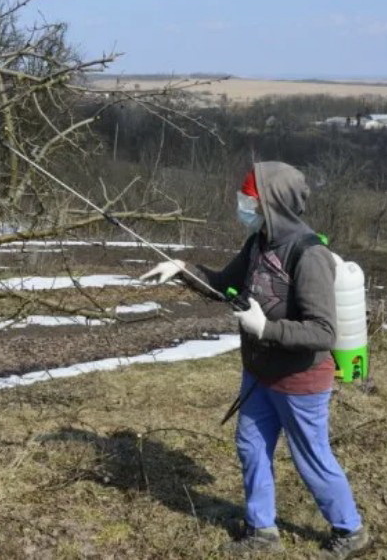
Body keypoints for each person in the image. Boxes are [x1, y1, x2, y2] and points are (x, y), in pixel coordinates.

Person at [140, 162, 370, 558]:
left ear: (270, 203)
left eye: (247, 198)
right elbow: (225, 285)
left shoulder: (308, 254)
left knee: (311, 457)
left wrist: (266, 329)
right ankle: (261, 529)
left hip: (300, 379)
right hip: (259, 373)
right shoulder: (258, 242)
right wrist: (182, 269)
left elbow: (322, 332)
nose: (241, 204)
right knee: (250, 445)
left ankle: (351, 531)